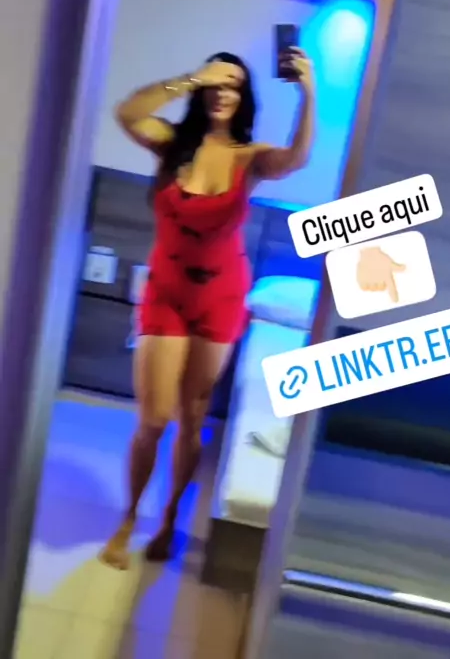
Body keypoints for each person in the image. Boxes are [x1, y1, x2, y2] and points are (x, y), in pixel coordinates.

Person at [100, 48, 315, 569]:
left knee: (192, 416)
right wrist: (188, 77)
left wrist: (308, 92)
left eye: (233, 85)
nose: (222, 91)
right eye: (216, 82)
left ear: (244, 98)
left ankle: (169, 517)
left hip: (220, 297)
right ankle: (127, 518)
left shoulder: (249, 158)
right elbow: (127, 113)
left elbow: (296, 159)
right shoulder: (171, 144)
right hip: (167, 291)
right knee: (153, 418)